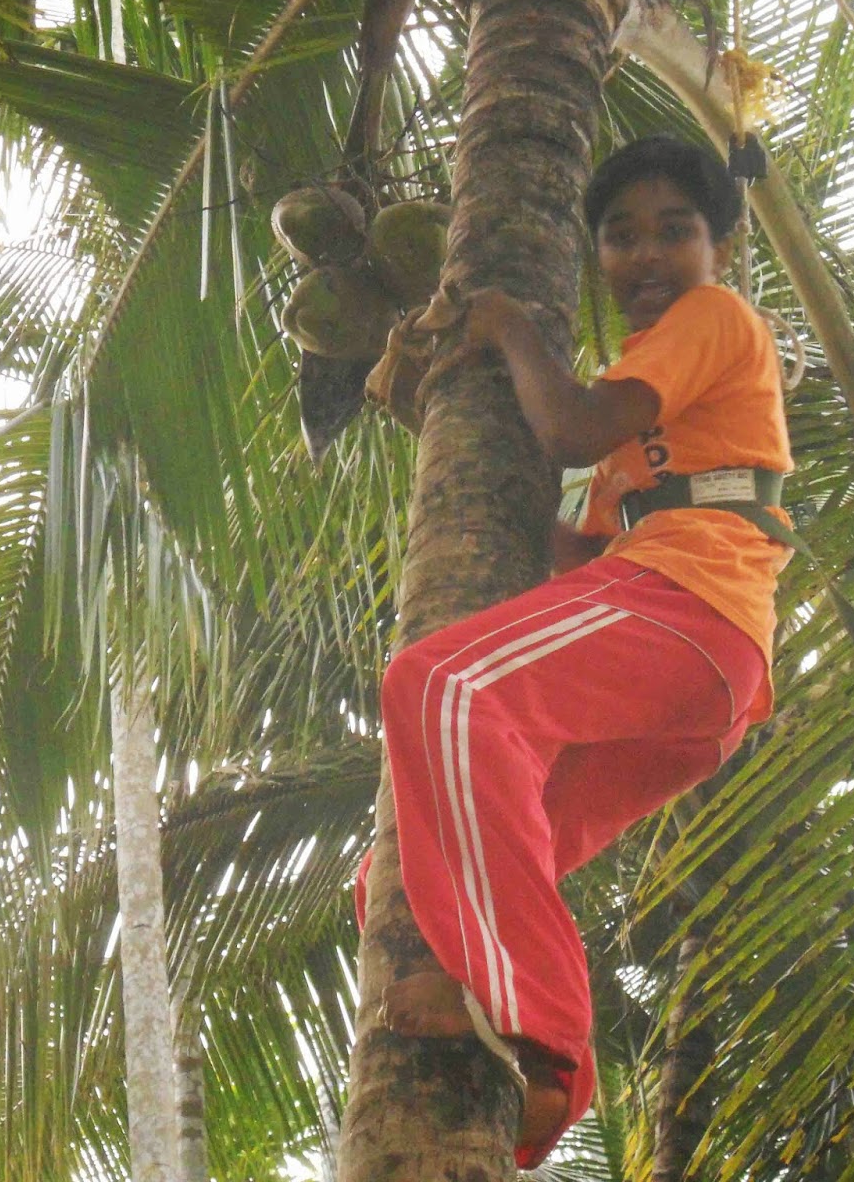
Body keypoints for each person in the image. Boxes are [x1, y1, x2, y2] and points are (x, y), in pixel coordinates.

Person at [356, 134, 794, 1165]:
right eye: (620, 235)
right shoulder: (644, 392)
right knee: (403, 870)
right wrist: (435, 419)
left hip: (692, 604)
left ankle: (540, 1015)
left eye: (674, 232)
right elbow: (553, 542)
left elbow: (570, 428)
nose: (646, 254)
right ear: (594, 254)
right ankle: (528, 1049)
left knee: (442, 686)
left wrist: (504, 325)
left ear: (718, 247)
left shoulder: (712, 317)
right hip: (690, 673)